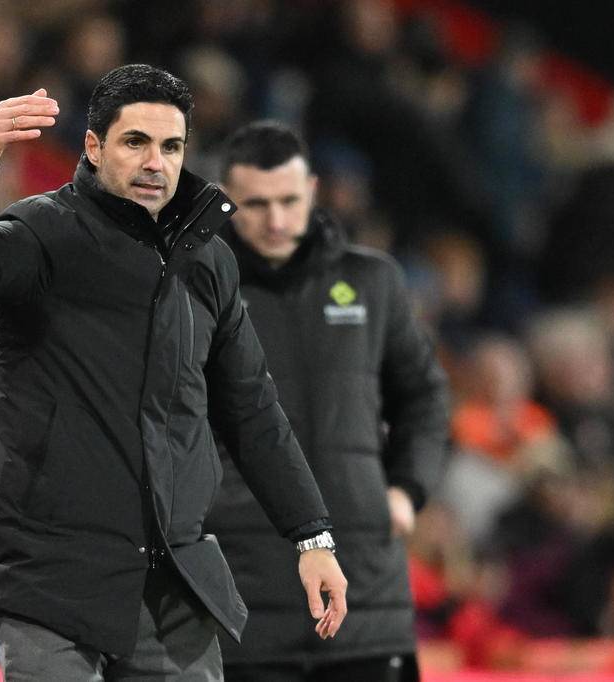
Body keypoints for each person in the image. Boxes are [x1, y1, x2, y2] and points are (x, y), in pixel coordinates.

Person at [0, 64, 347, 681]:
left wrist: (312, 536)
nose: (155, 163)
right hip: (53, 579)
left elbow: (251, 409)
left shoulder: (210, 262)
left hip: (174, 585)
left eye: (171, 147)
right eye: (135, 142)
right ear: (93, 147)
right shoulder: (45, 231)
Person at [205, 121, 450, 682]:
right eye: (256, 204)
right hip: (242, 599)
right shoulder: (195, 288)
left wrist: (408, 487)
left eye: (289, 201)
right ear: (225, 199)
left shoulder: (372, 281)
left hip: (367, 597)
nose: (276, 220)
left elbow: (423, 395)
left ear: (312, 190)